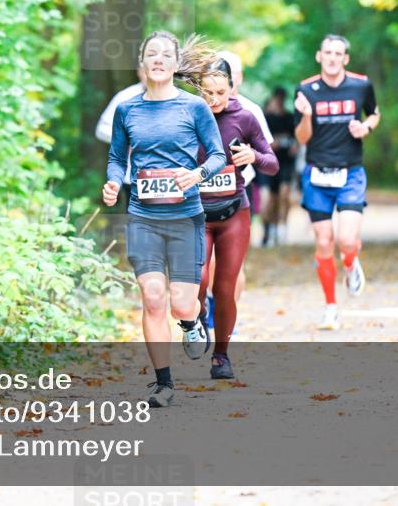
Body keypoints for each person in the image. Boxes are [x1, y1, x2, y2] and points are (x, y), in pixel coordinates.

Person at [103, 31, 227, 407]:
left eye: (164, 55)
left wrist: (198, 175)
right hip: (143, 216)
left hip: (185, 217)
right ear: (143, 63)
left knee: (180, 303)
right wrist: (112, 183)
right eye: (151, 54)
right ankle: (164, 383)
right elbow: (116, 158)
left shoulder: (194, 108)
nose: (157, 59)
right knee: (153, 298)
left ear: (175, 64)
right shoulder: (127, 110)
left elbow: (218, 156)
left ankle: (191, 324)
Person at [197, 60, 278, 379]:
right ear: (198, 90)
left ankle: (221, 356)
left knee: (225, 286)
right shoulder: (187, 114)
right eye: (208, 92)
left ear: (232, 88)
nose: (215, 99)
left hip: (234, 212)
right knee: (197, 279)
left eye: (221, 92)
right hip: (196, 213)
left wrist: (253, 157)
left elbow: (272, 163)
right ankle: (196, 320)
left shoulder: (244, 116)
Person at [294, 34, 380, 331]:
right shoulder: (306, 90)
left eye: (338, 53)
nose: (332, 58)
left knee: (346, 240)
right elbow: (301, 138)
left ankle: (351, 263)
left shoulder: (361, 85)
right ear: (319, 56)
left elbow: (375, 113)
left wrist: (365, 127)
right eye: (327, 52)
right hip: (317, 174)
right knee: (323, 241)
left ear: (346, 59)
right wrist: (306, 116)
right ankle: (330, 307)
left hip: (350, 173)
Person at [204, 52, 272, 320]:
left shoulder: (251, 110)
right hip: (201, 196)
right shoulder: (198, 108)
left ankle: (227, 313)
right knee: (205, 263)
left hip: (239, 193)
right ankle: (210, 307)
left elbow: (266, 153)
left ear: (238, 78)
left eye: (232, 73)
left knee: (233, 263)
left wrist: (248, 156)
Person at [95, 67, 146, 210]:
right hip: (132, 175)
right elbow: (101, 129)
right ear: (139, 71)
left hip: (169, 177)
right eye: (144, 70)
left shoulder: (178, 98)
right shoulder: (125, 97)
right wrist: (127, 140)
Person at [261, 87, 298, 246]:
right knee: (268, 198)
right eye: (278, 98)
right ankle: (268, 229)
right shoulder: (265, 117)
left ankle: (282, 227)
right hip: (267, 163)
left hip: (286, 163)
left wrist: (295, 146)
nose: (280, 101)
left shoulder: (290, 118)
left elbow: (297, 138)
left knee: (284, 195)